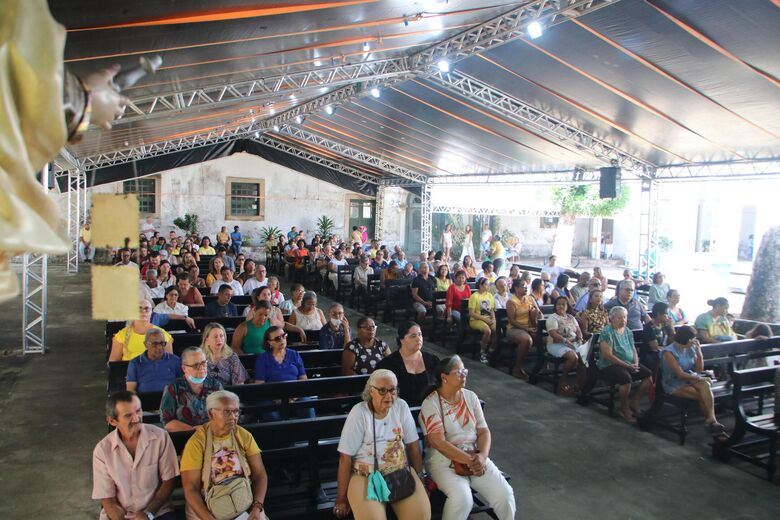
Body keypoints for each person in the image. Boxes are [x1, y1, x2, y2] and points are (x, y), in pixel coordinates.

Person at [419, 356, 516, 520]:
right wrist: (470, 460)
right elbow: (438, 443)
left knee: (504, 494)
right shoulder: (431, 404)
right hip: (443, 462)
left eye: (465, 371)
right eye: (459, 372)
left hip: (474, 457)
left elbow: (483, 431)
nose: (464, 375)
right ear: (444, 377)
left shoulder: (471, 397)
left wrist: (482, 457)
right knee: (462, 499)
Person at [333, 369, 430, 520]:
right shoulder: (359, 413)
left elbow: (413, 446)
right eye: (382, 390)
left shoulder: (401, 407)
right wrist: (341, 498)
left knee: (420, 517)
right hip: (366, 476)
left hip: (400, 473)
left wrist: (420, 478)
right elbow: (345, 457)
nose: (389, 396)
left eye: (392, 390)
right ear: (371, 391)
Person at [180, 390, 269, 520]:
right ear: (211, 413)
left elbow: (260, 475)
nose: (233, 417)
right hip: (210, 509)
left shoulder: (243, 436)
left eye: (236, 411)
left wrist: (257, 507)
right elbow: (190, 488)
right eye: (227, 411)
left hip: (244, 502)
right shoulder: (197, 443)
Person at [93, 391, 179, 520]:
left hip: (157, 512)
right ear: (112, 421)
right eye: (128, 415)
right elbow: (106, 496)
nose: (136, 418)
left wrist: (148, 513)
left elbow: (169, 480)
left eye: (138, 411)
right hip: (120, 515)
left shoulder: (160, 437)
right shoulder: (102, 450)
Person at [661, 326, 725, 433]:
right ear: (688, 339)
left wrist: (699, 353)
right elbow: (680, 374)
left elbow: (699, 369)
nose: (696, 340)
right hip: (673, 381)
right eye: (694, 338)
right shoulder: (668, 352)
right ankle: (713, 426)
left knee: (705, 385)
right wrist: (699, 378)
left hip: (690, 376)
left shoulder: (690, 348)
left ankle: (712, 419)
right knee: (702, 396)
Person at [598, 306, 653, 422]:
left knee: (648, 375)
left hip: (628, 363)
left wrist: (636, 363)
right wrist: (627, 366)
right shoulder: (607, 332)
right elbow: (608, 355)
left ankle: (635, 402)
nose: (623, 320)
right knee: (625, 378)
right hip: (610, 364)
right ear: (611, 319)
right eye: (619, 318)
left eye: (624, 317)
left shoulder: (628, 331)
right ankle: (624, 407)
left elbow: (633, 349)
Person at [254, 326, 314, 420]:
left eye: (284, 336)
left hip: (295, 395)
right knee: (273, 416)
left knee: (307, 409)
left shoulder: (294, 354)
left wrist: (293, 397)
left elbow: (303, 380)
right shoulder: (263, 359)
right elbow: (260, 385)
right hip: (271, 397)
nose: (282, 340)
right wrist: (277, 399)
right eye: (278, 338)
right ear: (269, 342)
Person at [160, 347, 223, 432]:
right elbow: (167, 422)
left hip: (213, 434)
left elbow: (224, 414)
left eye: (203, 363)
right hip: (184, 436)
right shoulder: (173, 388)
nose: (201, 368)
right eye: (196, 365)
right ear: (184, 368)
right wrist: (193, 430)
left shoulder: (215, 386)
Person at [377, 322, 440, 406]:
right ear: (402, 340)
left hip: (430, 410)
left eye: (420, 334)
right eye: (413, 336)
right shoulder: (388, 364)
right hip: (400, 411)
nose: (419, 339)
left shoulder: (433, 360)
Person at [109, 300, 174, 361]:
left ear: (151, 312)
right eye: (139, 309)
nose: (143, 311)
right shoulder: (121, 335)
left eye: (146, 309)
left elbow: (169, 361)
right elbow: (114, 362)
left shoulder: (163, 334)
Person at [546, 296, 584, 396]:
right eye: (558, 304)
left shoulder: (571, 317)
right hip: (556, 344)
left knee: (584, 356)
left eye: (563, 304)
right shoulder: (553, 318)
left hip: (573, 343)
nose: (561, 306)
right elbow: (553, 334)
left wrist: (580, 338)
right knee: (573, 357)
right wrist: (566, 341)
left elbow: (578, 330)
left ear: (567, 306)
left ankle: (578, 384)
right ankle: (562, 382)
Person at [506, 279, 541, 380]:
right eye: (522, 286)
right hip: (515, 328)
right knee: (527, 340)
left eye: (526, 286)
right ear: (516, 288)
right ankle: (518, 367)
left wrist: (536, 316)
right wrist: (526, 328)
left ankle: (538, 367)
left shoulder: (530, 298)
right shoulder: (511, 301)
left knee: (545, 339)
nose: (525, 288)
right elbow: (512, 321)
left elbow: (538, 312)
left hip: (530, 326)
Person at [467, 278, 496, 365]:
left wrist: (493, 318)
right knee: (487, 331)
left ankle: (492, 349)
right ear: (480, 285)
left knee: (498, 329)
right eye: (486, 284)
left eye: (489, 284)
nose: (488, 286)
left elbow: (491, 310)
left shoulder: (490, 295)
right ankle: (482, 352)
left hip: (488, 318)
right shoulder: (474, 296)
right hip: (476, 319)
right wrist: (485, 319)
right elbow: (471, 313)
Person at [641, 302, 675, 373]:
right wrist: (669, 351)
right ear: (659, 314)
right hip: (651, 354)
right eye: (666, 314)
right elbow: (655, 347)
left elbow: (672, 342)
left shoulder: (665, 325)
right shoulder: (649, 327)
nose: (668, 316)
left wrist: (671, 329)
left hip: (665, 352)